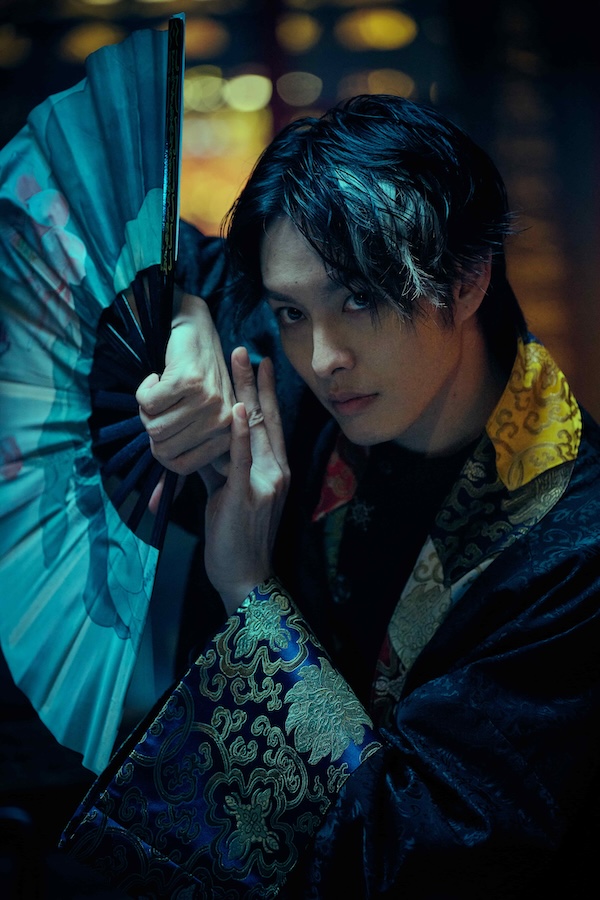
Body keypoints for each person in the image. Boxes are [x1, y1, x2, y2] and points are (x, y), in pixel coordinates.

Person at [60, 95, 600, 899]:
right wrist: (183, 316)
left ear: (467, 278)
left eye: (361, 299)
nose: (322, 358)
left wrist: (248, 594)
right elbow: (95, 228)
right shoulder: (284, 353)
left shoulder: (575, 552)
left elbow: (419, 851)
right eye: (290, 311)